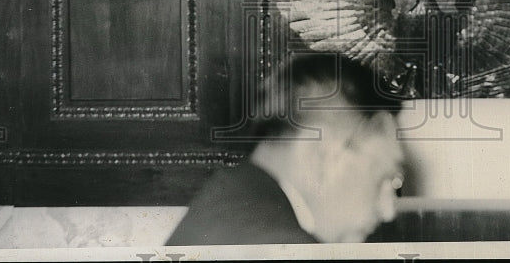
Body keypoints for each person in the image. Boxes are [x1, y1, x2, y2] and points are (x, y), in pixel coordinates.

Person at [166, 52, 405, 245]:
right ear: (319, 156)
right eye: (384, 179)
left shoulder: (234, 199)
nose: (388, 212)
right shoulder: (280, 243)